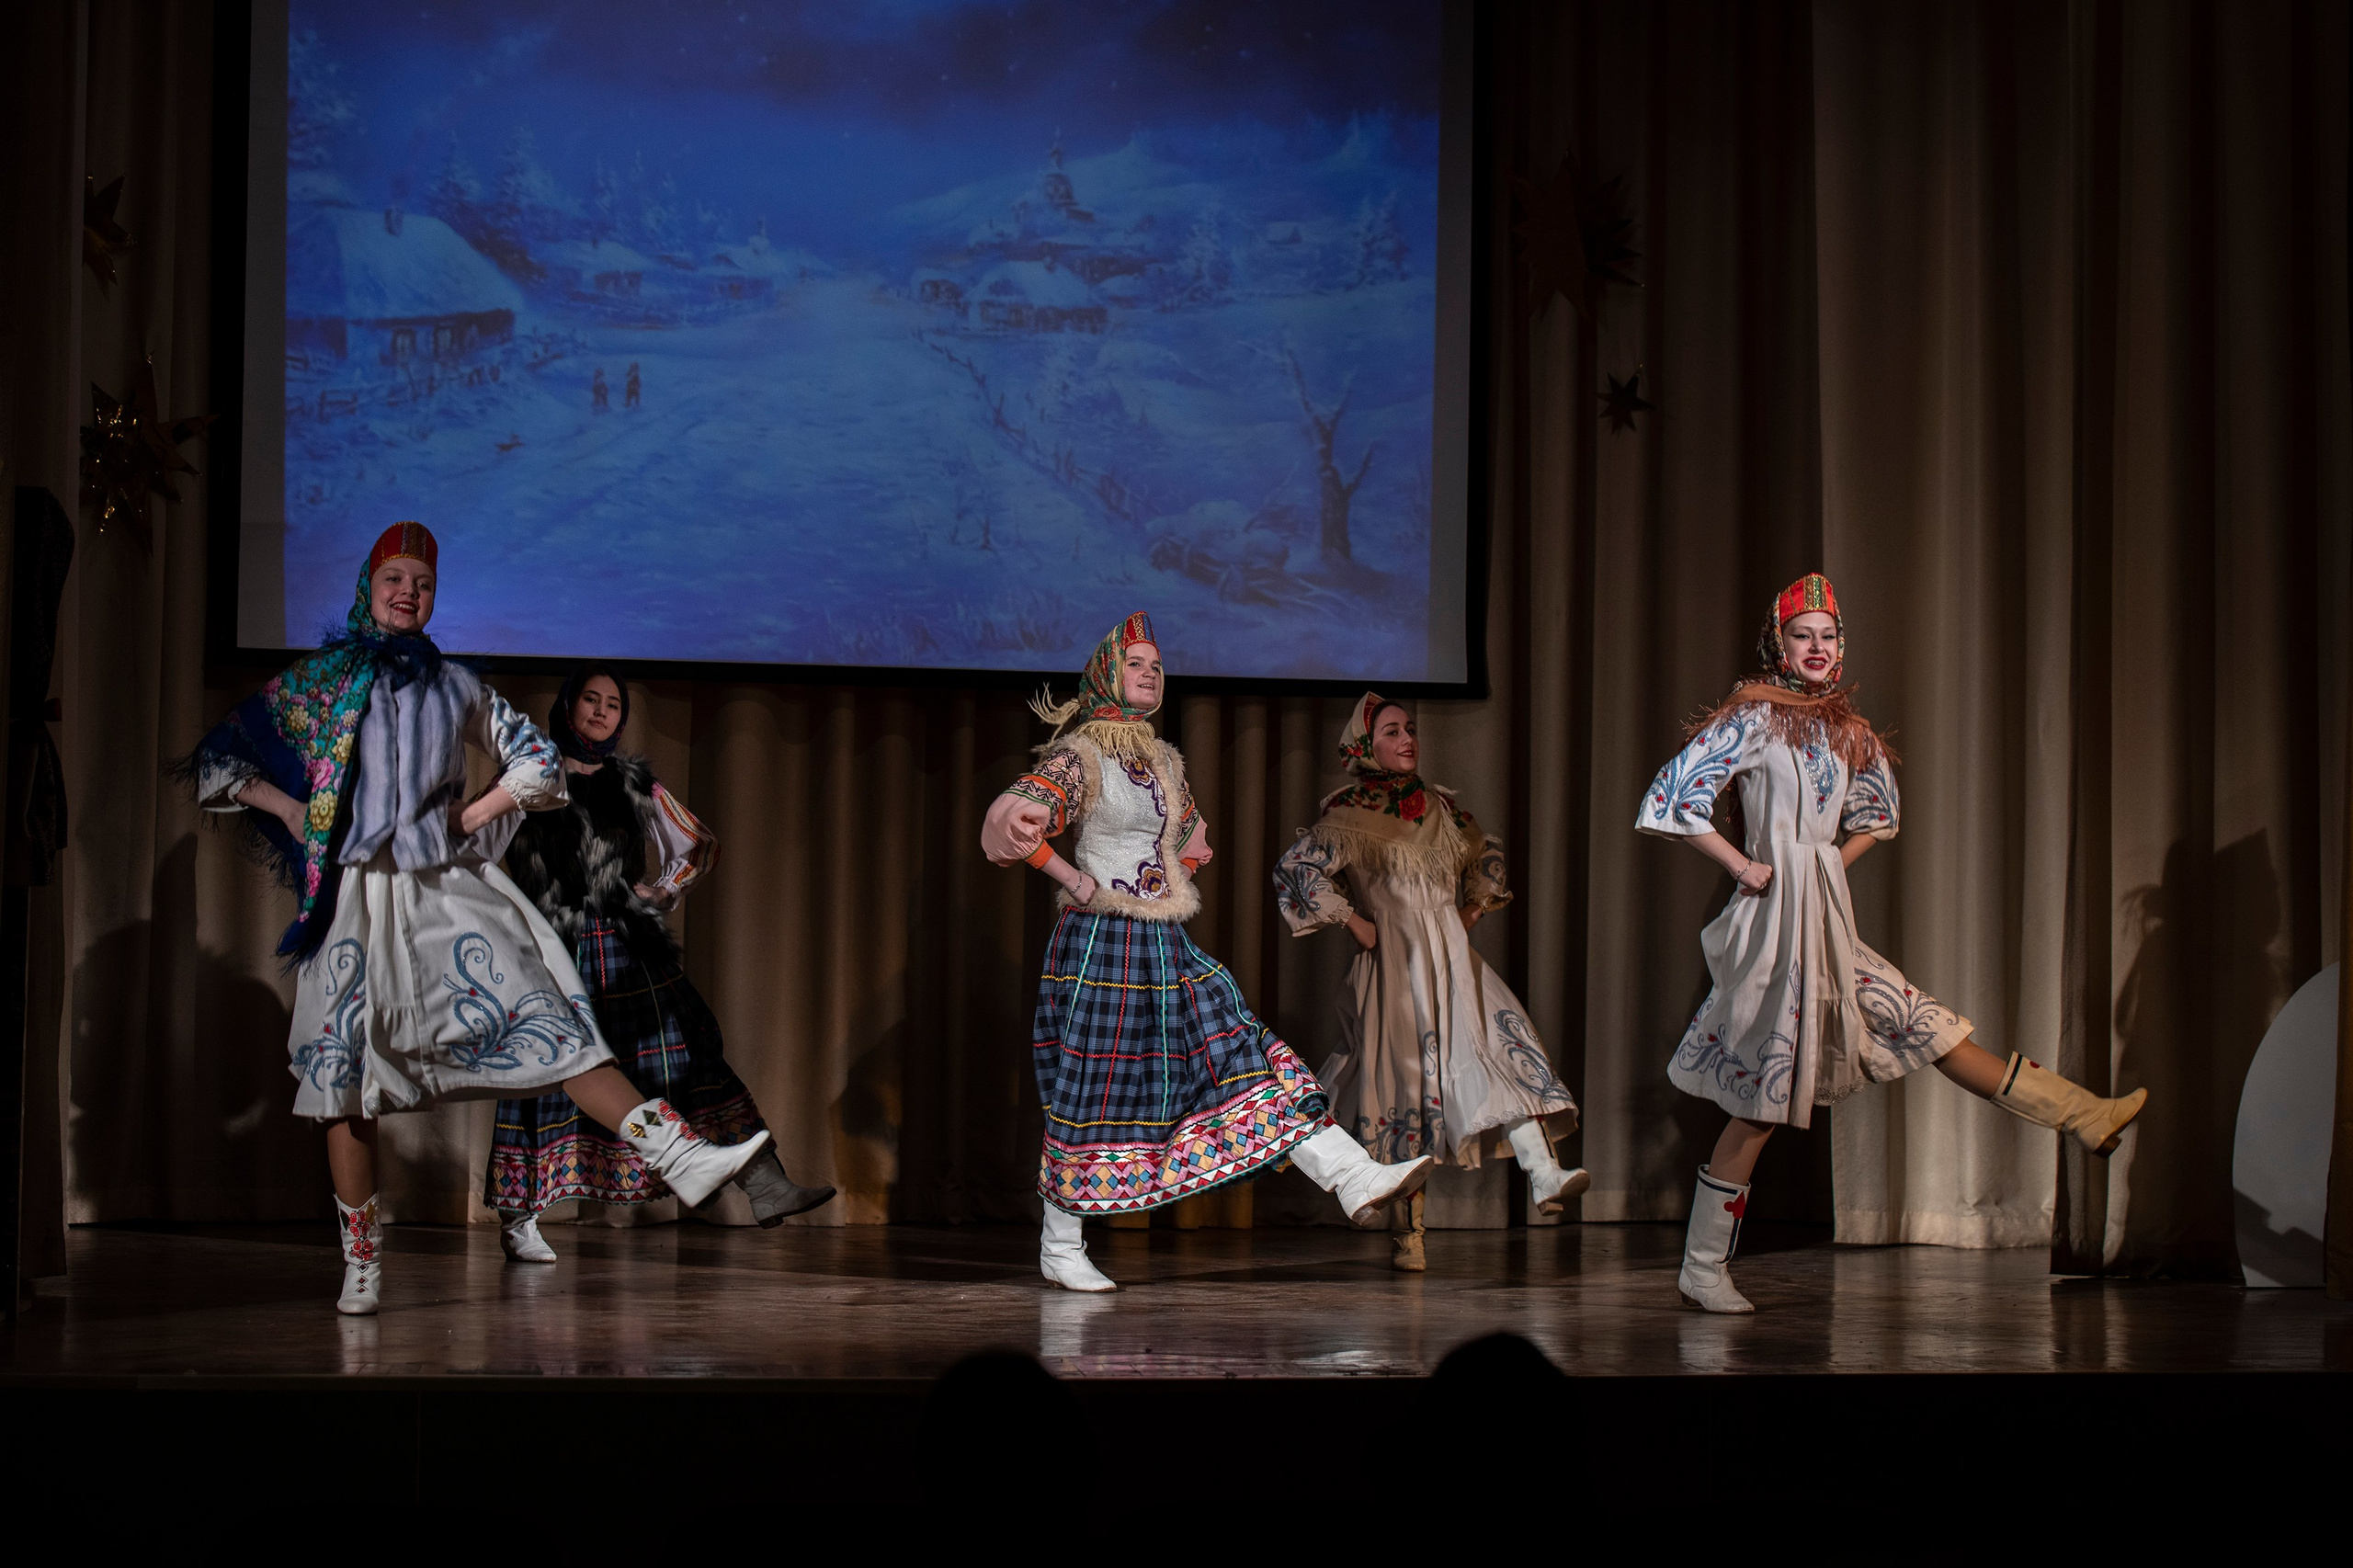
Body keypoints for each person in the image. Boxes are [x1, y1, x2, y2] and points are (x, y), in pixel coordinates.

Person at [186, 522, 768, 1313]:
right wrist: (292, 809)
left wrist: (470, 816)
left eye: (422, 584)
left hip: (445, 890)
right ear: (369, 587)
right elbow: (222, 759)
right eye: (395, 579)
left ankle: (682, 1157)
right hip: (359, 894)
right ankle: (362, 1262)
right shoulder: (322, 681)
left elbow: (536, 761)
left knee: (552, 1023)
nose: (408, 594)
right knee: (345, 1082)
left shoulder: (455, 687)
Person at [1638, 572, 2147, 1312]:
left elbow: (1878, 816)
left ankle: (2082, 1114)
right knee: (1765, 1096)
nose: (1816, 647)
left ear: (1841, 645)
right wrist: (1747, 867)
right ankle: (1703, 1266)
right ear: (1779, 644)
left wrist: (1826, 869)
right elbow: (1670, 799)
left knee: (1927, 1024)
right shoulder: (1752, 717)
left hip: (1823, 919)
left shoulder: (1849, 730)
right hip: (1775, 928)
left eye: (1827, 635)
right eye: (1802, 635)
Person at [980, 612, 1433, 1291]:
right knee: (1094, 1084)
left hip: (1162, 937)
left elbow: (1189, 836)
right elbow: (1019, 818)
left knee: (1240, 1049)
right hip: (1102, 940)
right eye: (1136, 664)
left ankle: (1351, 1174)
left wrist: (1177, 866)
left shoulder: (1162, 759)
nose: (1150, 673)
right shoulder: (1081, 754)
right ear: (1108, 674)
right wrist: (1075, 879)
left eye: (1156, 665)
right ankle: (1061, 1244)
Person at [486, 665, 834, 1260]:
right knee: (544, 1069)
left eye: (613, 704)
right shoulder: (530, 773)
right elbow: (477, 847)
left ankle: (765, 1183)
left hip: (625, 944)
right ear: (567, 706)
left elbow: (697, 842)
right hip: (551, 944)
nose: (601, 711)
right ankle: (520, 1215)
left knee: (687, 1055)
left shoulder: (633, 783)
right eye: (590, 699)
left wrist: (663, 889)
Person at [1274, 694, 1585, 1269]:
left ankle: (1543, 1173)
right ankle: (1409, 1232)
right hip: (1396, 958)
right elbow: (1297, 868)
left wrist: (1472, 908)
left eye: (1410, 729)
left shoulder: (1439, 807)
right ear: (1367, 746)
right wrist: (1353, 920)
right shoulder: (1350, 811)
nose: (1407, 739)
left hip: (1451, 954)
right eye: (1392, 731)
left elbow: (1485, 852)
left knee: (1497, 1050)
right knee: (1406, 1084)